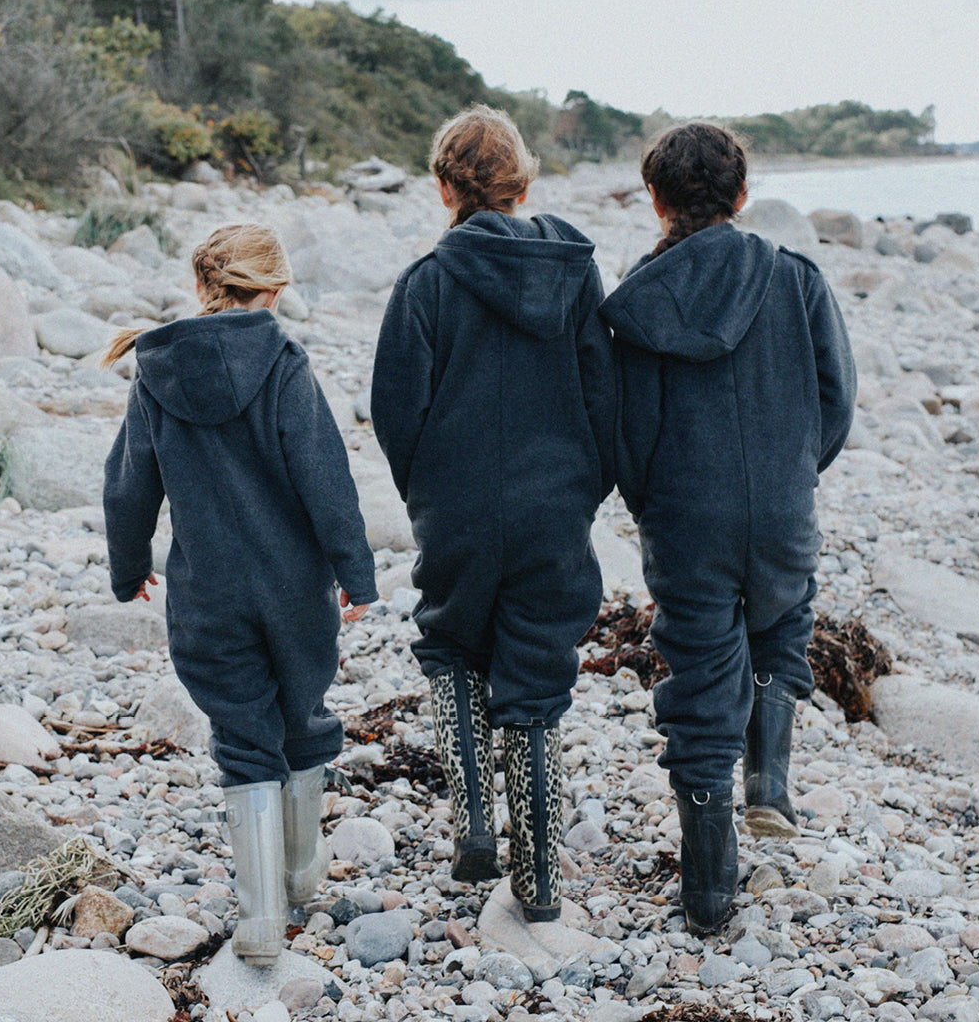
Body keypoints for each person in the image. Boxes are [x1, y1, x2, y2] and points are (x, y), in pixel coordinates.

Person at [599, 122, 855, 936]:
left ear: (656, 200)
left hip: (685, 515)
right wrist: (791, 470)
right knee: (784, 620)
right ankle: (770, 783)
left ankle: (709, 893)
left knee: (703, 679)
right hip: (780, 505)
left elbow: (625, 428)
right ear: (742, 197)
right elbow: (835, 397)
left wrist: (652, 503)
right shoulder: (795, 278)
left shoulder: (637, 303)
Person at [101, 223, 376, 965]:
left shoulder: (155, 371)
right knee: (303, 716)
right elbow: (326, 478)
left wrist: (128, 567)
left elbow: (131, 485)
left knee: (243, 735)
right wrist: (356, 572)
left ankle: (259, 920)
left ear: (201, 286)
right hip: (294, 588)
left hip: (207, 591)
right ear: (276, 289)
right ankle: (301, 870)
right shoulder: (285, 363)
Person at [371, 104, 614, 921]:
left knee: (449, 642)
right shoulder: (575, 273)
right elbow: (602, 393)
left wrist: (430, 489)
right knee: (537, 675)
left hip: (459, 501)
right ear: (523, 181)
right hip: (556, 503)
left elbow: (395, 411)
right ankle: (540, 884)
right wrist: (586, 482)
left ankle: (474, 819)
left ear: (445, 188)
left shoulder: (427, 284)